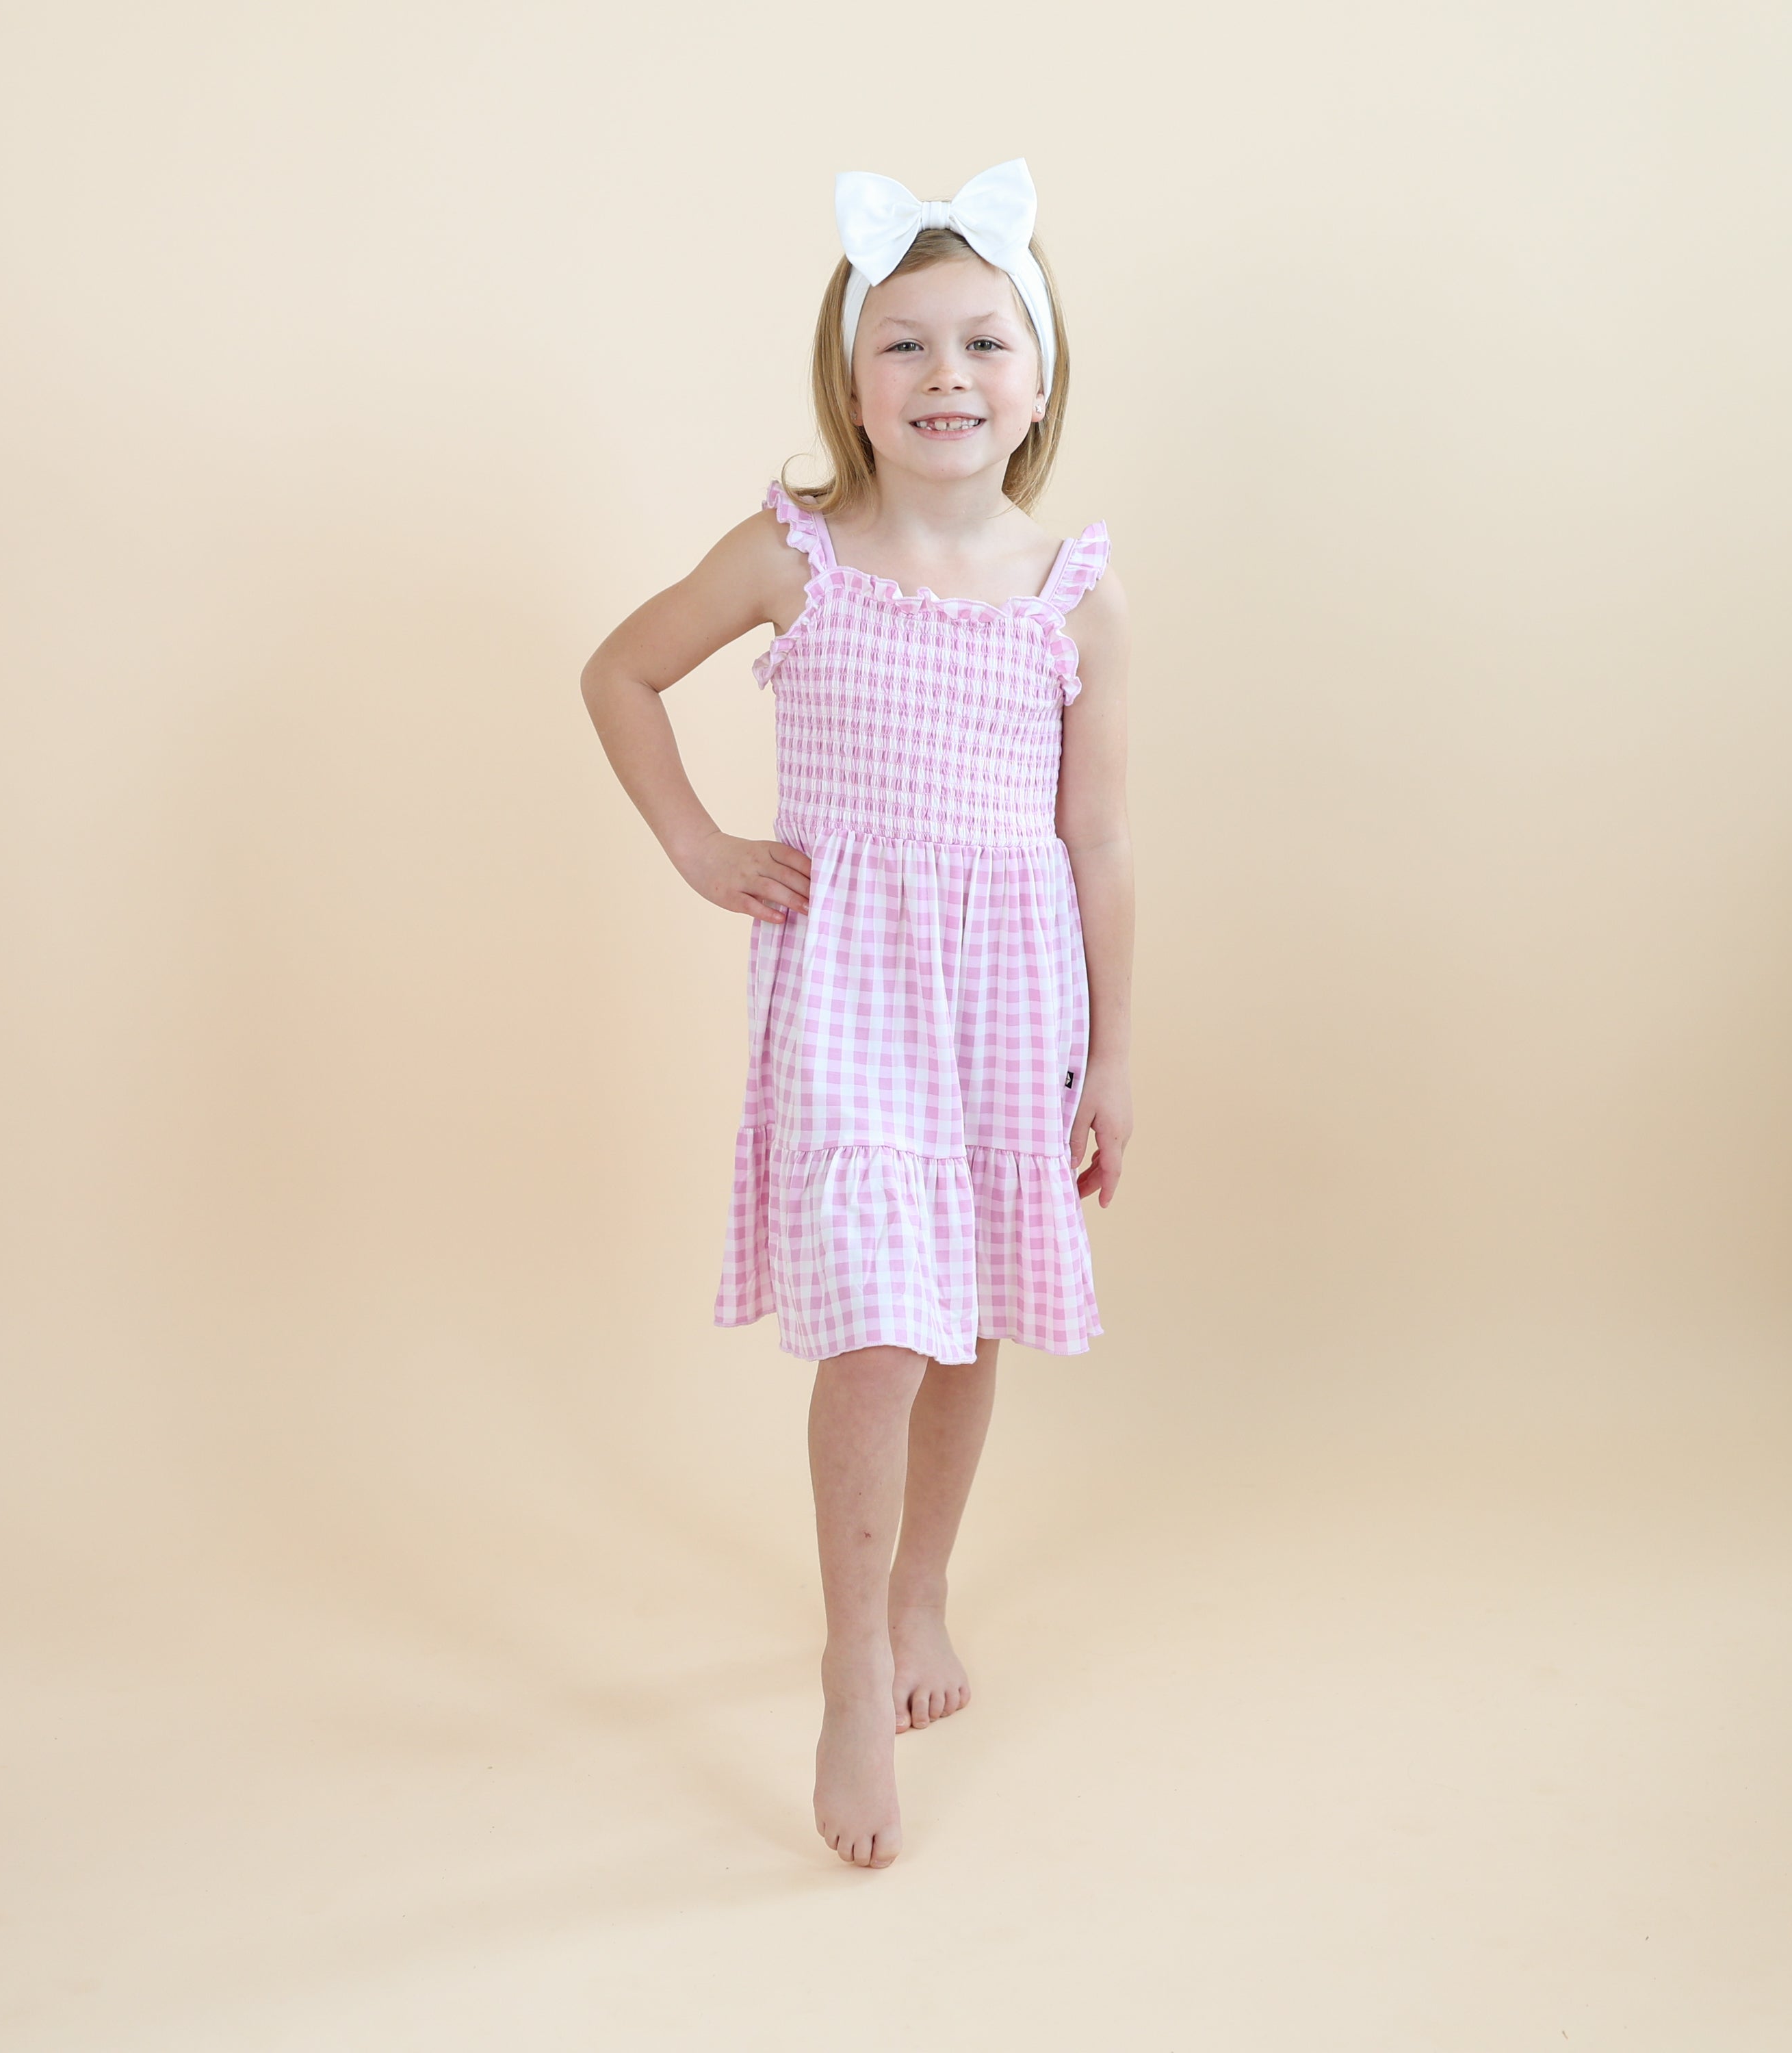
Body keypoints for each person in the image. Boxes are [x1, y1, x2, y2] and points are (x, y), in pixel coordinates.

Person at [580, 160, 1134, 1869]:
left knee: (963, 1325)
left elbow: (1098, 840)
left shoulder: (1072, 594)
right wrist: (693, 842)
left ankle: (921, 1592)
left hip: (1007, 995)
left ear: (1037, 380)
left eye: (984, 342)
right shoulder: (790, 558)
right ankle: (845, 1666)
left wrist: (1113, 1051)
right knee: (878, 1330)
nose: (946, 376)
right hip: (853, 994)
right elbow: (620, 670)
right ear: (853, 377)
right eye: (905, 344)